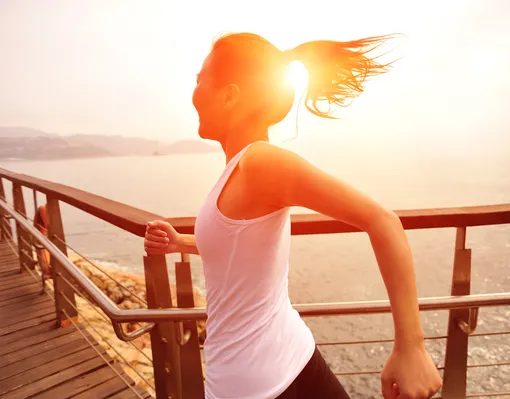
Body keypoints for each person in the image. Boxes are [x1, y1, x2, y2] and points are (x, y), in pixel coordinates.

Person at [144, 33, 442, 399]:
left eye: (199, 81)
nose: (193, 93)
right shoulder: (239, 169)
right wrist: (181, 242)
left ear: (230, 94)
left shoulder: (261, 163)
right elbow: (237, 254)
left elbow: (382, 221)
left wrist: (411, 348)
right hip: (289, 362)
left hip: (255, 386)